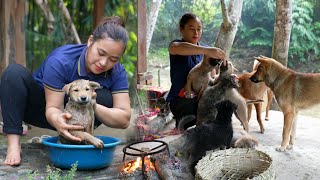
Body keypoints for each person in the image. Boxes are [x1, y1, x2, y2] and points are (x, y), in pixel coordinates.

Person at [0, 16, 131, 166]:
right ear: (90, 41)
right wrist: (58, 119)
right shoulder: (61, 60)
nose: (104, 63)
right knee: (13, 73)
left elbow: (124, 119)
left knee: (105, 97)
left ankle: (81, 138)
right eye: (101, 53)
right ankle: (13, 145)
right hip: (43, 107)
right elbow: (53, 107)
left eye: (113, 59)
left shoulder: (117, 72)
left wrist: (93, 105)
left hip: (81, 115)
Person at [166, 13, 227, 131]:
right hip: (182, 101)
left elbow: (213, 78)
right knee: (191, 108)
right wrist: (206, 51)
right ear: (181, 29)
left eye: (199, 29)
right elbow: (175, 47)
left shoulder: (207, 51)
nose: (196, 33)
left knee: (223, 104)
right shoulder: (176, 46)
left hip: (202, 98)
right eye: (191, 29)